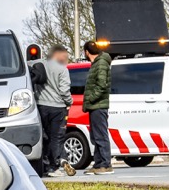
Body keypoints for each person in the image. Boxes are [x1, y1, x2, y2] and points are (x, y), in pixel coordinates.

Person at [35, 46, 76, 177]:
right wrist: (69, 102)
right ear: (58, 55)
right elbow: (64, 91)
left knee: (45, 137)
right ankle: (54, 166)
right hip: (58, 108)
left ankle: (46, 165)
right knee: (56, 138)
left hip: (41, 105)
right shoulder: (62, 70)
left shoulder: (38, 65)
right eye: (65, 56)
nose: (66, 59)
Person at [82, 41, 114, 175]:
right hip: (95, 105)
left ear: (87, 52)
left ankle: (106, 164)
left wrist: (90, 99)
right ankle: (99, 163)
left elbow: (101, 85)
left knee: (101, 135)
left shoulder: (100, 64)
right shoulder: (98, 63)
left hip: (98, 105)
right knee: (96, 136)